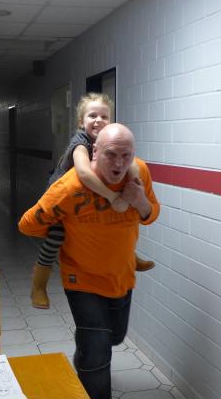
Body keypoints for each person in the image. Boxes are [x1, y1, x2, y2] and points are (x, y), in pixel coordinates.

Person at [19, 123, 160, 399]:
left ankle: (85, 352)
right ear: (95, 152)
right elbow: (27, 224)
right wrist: (57, 225)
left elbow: (152, 214)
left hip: (121, 275)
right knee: (98, 351)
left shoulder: (139, 174)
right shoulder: (69, 187)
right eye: (111, 154)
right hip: (80, 278)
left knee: (114, 337)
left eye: (126, 155)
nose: (119, 163)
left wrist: (140, 201)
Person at [29, 93, 155, 309]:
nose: (98, 120)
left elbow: (132, 164)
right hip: (64, 200)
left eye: (104, 116)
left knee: (109, 223)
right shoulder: (80, 144)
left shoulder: (109, 141)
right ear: (81, 122)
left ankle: (129, 258)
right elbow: (85, 174)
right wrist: (113, 196)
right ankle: (38, 285)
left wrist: (133, 187)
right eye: (92, 116)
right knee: (55, 238)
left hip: (89, 195)